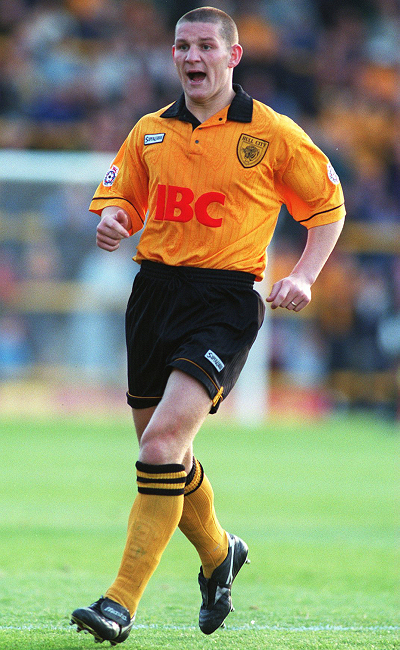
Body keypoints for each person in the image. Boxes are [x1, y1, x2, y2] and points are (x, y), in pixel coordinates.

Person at [70, 6, 345, 645]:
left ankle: (118, 603)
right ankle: (221, 553)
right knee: (166, 452)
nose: (192, 57)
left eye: (204, 46)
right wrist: (113, 219)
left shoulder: (272, 133)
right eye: (181, 46)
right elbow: (122, 199)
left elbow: (328, 209)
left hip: (224, 301)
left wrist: (304, 275)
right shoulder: (150, 131)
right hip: (153, 295)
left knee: (160, 446)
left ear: (232, 55)